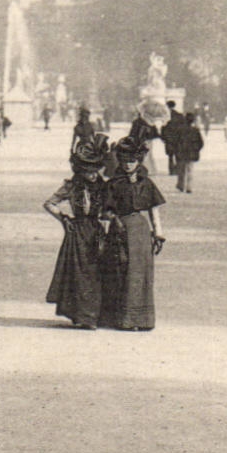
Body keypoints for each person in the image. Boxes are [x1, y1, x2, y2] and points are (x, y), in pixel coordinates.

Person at [42, 133, 109, 329]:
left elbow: (110, 209)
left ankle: (93, 314)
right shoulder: (71, 186)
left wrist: (107, 220)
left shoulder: (103, 187)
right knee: (79, 273)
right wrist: (64, 218)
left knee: (95, 272)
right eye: (89, 171)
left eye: (96, 171)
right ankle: (81, 315)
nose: (94, 175)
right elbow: (49, 203)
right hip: (77, 232)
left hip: (96, 231)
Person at [98, 137, 165, 331]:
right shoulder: (113, 184)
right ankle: (120, 318)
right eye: (125, 161)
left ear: (138, 162)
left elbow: (154, 209)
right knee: (119, 271)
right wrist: (113, 221)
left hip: (140, 232)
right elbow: (105, 211)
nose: (128, 165)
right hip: (118, 230)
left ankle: (141, 320)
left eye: (132, 161)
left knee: (140, 273)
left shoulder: (146, 183)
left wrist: (159, 234)